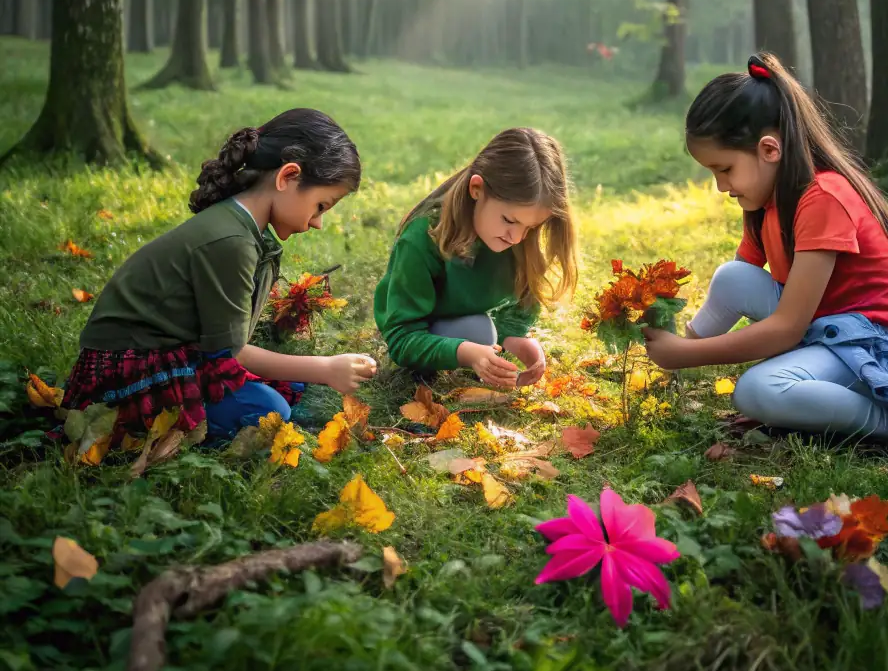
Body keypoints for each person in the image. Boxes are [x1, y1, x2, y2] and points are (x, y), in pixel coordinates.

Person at [642, 54, 888, 461]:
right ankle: (680, 369)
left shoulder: (823, 197)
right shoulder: (765, 202)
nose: (719, 185)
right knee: (732, 276)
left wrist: (687, 355)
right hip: (827, 326)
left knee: (757, 390)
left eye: (724, 169)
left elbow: (785, 329)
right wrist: (679, 348)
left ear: (769, 149)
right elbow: (742, 287)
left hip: (872, 342)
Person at [62, 109, 376, 446]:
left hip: (167, 350)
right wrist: (325, 369)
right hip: (124, 374)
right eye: (320, 206)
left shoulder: (238, 226)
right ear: (287, 176)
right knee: (267, 409)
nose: (317, 223)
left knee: (290, 388)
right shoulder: (232, 242)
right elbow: (232, 354)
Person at [374, 128, 578, 388]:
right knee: (479, 332)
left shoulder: (516, 237)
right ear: (477, 189)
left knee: (481, 331)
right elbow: (402, 339)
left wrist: (516, 340)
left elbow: (523, 304)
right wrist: (468, 352)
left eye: (529, 228)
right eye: (509, 220)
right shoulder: (422, 238)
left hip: (466, 321)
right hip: (419, 331)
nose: (515, 237)